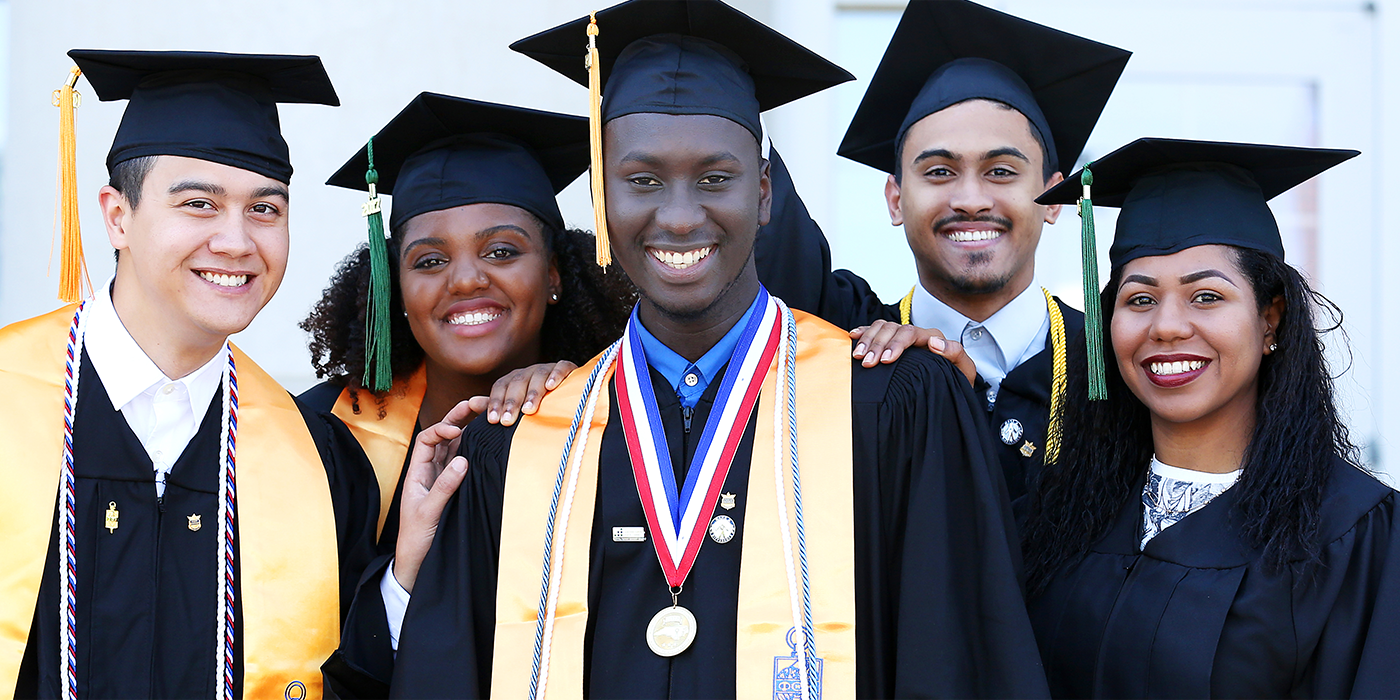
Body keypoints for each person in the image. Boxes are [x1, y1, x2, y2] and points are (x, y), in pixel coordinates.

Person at [337, 0, 1052, 698]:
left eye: (716, 179)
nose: (679, 217)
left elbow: (956, 661)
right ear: (603, 200)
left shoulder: (896, 405)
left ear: (765, 194)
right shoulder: (520, 442)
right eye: (642, 181)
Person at [0, 51, 377, 699]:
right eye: (200, 204)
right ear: (117, 216)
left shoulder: (317, 459)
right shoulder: (11, 400)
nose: (237, 241)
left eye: (265, 210)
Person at [1022, 138, 1399, 698]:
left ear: (1270, 318)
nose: (1167, 326)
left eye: (1206, 297)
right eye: (1140, 299)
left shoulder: (1348, 532)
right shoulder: (1063, 510)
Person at [755, 0, 1130, 501]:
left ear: (1053, 198)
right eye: (938, 172)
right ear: (895, 199)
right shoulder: (848, 341)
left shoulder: (1117, 366)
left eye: (1001, 171)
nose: (971, 199)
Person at [299, 93, 635, 555]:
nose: (465, 280)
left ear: (554, 273)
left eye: (501, 251)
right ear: (394, 287)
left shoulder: (623, 419)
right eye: (431, 261)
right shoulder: (322, 437)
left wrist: (576, 393)